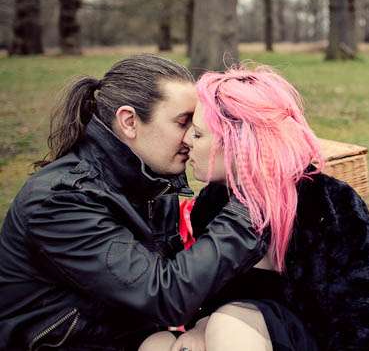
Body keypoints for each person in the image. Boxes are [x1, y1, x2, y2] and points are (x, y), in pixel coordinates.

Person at [147, 64, 369, 351]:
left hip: (336, 338)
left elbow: (359, 315)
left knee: (228, 324)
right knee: (159, 344)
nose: (185, 141)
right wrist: (201, 326)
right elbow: (216, 293)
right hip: (261, 329)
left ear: (238, 142)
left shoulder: (328, 204)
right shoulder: (212, 203)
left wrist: (219, 324)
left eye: (198, 134)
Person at [0, 55, 266, 351]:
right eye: (183, 122)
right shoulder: (61, 201)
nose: (191, 138)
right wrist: (253, 203)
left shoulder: (150, 180)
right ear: (129, 122)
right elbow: (166, 296)